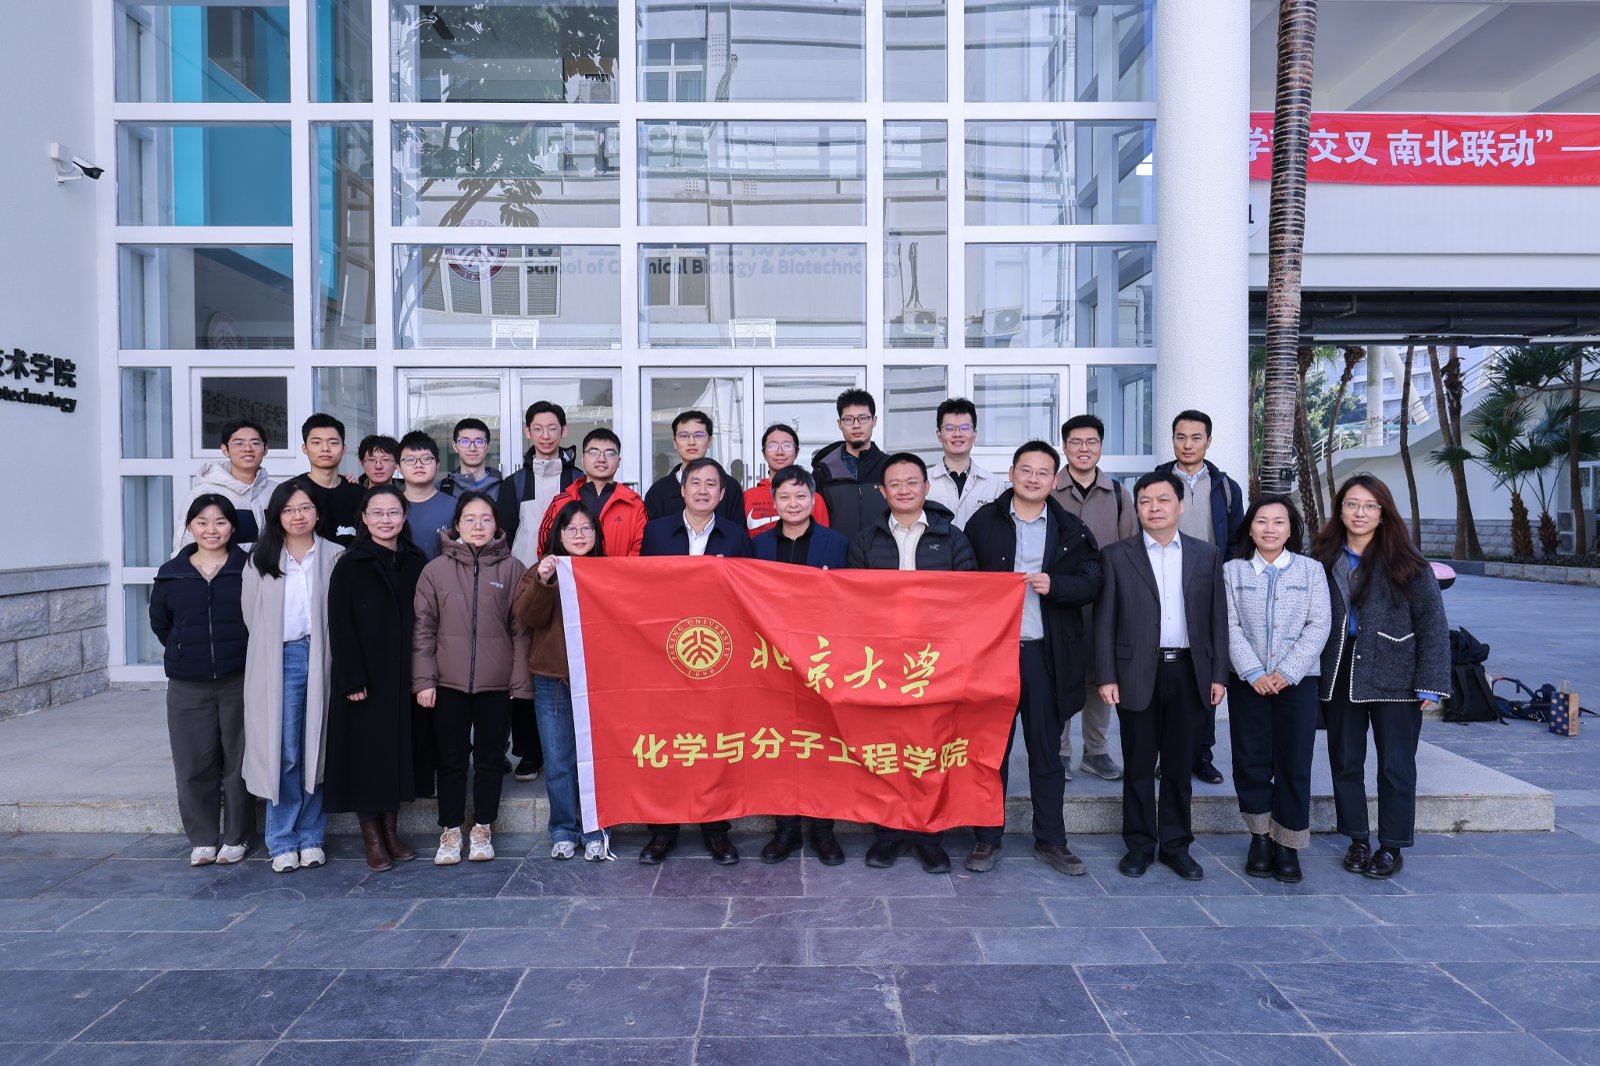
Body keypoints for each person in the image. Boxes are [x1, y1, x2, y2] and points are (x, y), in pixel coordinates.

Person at [963, 442, 1102, 877]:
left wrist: (1055, 586)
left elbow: (1092, 582)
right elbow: (960, 581)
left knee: (1046, 753)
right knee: (991, 752)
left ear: (1055, 480)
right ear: (1011, 473)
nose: (1033, 478)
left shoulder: (1072, 529)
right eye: (1026, 470)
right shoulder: (983, 522)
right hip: (992, 656)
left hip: (1045, 655)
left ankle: (1052, 841)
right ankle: (987, 837)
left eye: (1043, 472)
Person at [1311, 474, 1449, 881]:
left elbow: (1433, 623)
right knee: (1345, 760)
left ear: (1383, 513)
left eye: (1370, 506)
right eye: (1352, 504)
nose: (1360, 513)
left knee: (1396, 765)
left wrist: (1431, 681)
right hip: (1339, 668)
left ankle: (1391, 846)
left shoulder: (1408, 561)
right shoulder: (1321, 557)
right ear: (1340, 509)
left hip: (1397, 672)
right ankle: (1357, 839)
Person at [1094, 471, 1227, 882]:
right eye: (1146, 501)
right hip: (1135, 673)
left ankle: (1175, 846)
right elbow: (1104, 622)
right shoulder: (1117, 556)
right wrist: (1106, 675)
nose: (1155, 507)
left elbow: (1217, 620)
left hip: (1189, 671)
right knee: (1137, 765)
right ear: (1137, 509)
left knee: (1178, 767)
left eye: (1163, 500)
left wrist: (1218, 674)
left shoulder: (1206, 555)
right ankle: (1139, 845)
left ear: (1180, 506)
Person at [846, 452, 975, 873]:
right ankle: (887, 835)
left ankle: (928, 836)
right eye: (895, 484)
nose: (904, 490)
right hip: (880, 662)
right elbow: (851, 603)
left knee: (929, 750)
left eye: (911, 482)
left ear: (926, 487)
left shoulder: (952, 538)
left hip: (933, 662)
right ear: (883, 492)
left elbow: (969, 599)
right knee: (883, 750)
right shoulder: (865, 541)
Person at [639, 457, 752, 865]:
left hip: (718, 654)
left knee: (714, 741)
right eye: (695, 483)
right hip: (664, 653)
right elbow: (638, 589)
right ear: (682, 490)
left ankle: (716, 830)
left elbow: (748, 597)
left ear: (722, 494)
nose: (703, 490)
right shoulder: (656, 532)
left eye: (711, 485)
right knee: (668, 740)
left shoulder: (736, 537)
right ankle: (662, 830)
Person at [413, 491, 532, 865]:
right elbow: (423, 630)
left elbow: (521, 630)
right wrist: (424, 680)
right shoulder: (435, 570)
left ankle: (482, 827)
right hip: (447, 682)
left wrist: (519, 681)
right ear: (457, 525)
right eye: (470, 519)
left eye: (486, 519)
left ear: (497, 525)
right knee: (450, 759)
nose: (478, 526)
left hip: (496, 683)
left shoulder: (513, 569)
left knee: (490, 757)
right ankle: (450, 830)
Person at [1224, 494, 1331, 884]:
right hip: (1247, 681)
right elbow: (1228, 625)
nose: (1269, 529)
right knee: (1250, 759)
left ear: (1291, 530)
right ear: (1250, 528)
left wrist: (1287, 671)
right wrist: (1253, 671)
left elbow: (1319, 625)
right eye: (1261, 521)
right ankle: (1259, 837)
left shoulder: (1311, 571)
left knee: (1294, 762)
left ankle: (1288, 842)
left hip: (1297, 682)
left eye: (1279, 522)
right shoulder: (1232, 572)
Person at [324, 484, 429, 872]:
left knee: (397, 754)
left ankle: (391, 832)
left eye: (393, 513)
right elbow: (340, 624)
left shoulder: (415, 560)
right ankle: (371, 837)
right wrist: (351, 678)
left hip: (405, 674)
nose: (386, 520)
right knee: (367, 757)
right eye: (378, 513)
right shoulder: (350, 564)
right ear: (364, 519)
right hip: (365, 677)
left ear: (404, 517)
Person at [242, 481, 344, 873]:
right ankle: (282, 838)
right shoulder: (261, 558)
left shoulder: (334, 555)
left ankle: (312, 836)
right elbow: (251, 615)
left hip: (322, 656)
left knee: (317, 747)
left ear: (317, 512)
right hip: (279, 659)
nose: (298, 516)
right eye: (288, 509)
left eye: (305, 508)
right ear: (277, 516)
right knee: (283, 751)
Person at [750, 465, 850, 865]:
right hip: (772, 660)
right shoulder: (757, 545)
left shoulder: (837, 543)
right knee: (781, 746)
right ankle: (786, 830)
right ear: (774, 502)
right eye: (785, 497)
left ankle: (824, 830)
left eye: (800, 496)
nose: (793, 504)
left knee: (821, 745)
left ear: (813, 499)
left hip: (821, 660)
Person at [150, 494, 251, 867]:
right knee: (193, 762)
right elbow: (161, 624)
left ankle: (237, 837)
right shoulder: (172, 573)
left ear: (233, 527)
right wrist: (184, 651)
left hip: (239, 678)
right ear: (190, 526)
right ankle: (203, 838)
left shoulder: (249, 568)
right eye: (203, 522)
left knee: (239, 762)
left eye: (220, 521)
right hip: (188, 684)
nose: (212, 529)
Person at [513, 499, 613, 862]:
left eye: (587, 528)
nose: (579, 535)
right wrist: (543, 581)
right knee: (558, 760)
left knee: (597, 759)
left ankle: (596, 829)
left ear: (597, 533)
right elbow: (526, 617)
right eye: (571, 529)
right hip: (552, 680)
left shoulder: (610, 571)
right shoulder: (543, 569)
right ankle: (563, 830)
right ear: (559, 534)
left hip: (600, 681)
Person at [1153, 409, 1245, 786]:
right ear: (1172, 439)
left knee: (1203, 672)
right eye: (1181, 436)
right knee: (1163, 676)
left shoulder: (1226, 487)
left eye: (1196, 437)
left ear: (1208, 441)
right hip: (1162, 585)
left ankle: (1202, 753)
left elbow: (1236, 541)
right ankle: (1168, 754)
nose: (1187, 444)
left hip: (1208, 589)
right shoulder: (1156, 481)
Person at [1052, 414, 1135, 782]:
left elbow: (1130, 548)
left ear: (1101, 446)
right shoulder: (1050, 489)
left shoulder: (1117, 493)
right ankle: (1059, 752)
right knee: (1060, 674)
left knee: (1100, 674)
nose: (1083, 449)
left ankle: (1096, 751)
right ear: (1064, 446)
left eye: (1091, 442)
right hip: (1059, 598)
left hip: (1104, 601)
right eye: (1075, 442)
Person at [536, 428, 649, 558]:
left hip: (619, 572)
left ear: (619, 461)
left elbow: (640, 554)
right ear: (582, 459)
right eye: (594, 452)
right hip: (572, 572)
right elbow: (546, 551)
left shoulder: (635, 505)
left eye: (610, 454)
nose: (601, 459)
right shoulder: (560, 502)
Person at [174, 418, 274, 551]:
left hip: (269, 565)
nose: (248, 449)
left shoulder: (276, 491)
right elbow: (184, 546)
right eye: (239, 443)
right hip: (220, 565)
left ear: (265, 449)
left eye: (255, 443)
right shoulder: (203, 493)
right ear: (225, 449)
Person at [501, 400, 580, 560]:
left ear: (563, 431)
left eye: (552, 428)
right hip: (523, 570)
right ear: (528, 432)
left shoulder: (578, 480)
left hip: (566, 570)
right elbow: (504, 535)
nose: (545, 436)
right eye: (538, 429)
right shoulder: (515, 483)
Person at [643, 409, 746, 524]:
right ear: (675, 443)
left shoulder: (730, 487)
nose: (691, 442)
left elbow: (737, 533)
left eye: (699, 435)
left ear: (710, 441)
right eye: (684, 435)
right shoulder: (658, 492)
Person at [812, 388, 889, 541]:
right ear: (839, 423)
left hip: (883, 552)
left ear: (874, 421)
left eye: (863, 418)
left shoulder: (890, 467)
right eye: (848, 419)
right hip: (837, 552)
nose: (856, 425)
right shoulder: (823, 472)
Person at [925, 398, 1003, 530]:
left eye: (965, 428)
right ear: (939, 435)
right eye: (950, 428)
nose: (957, 434)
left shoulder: (994, 485)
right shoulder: (923, 482)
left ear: (975, 434)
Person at [744, 423, 831, 537]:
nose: (780, 452)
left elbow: (824, 539)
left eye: (787, 446)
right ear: (763, 453)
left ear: (797, 452)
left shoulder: (812, 498)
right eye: (772, 446)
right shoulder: (748, 497)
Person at [290, 413, 364, 546]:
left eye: (333, 443)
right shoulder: (290, 492)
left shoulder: (360, 494)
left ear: (344, 449)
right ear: (305, 448)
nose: (325, 449)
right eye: (316, 443)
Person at [398, 431, 456, 563]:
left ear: (437, 465)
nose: (418, 465)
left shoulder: (455, 507)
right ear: (398, 467)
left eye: (426, 459)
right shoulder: (389, 507)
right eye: (410, 460)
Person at [438, 418, 503, 498]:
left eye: (479, 442)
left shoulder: (504, 488)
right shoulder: (441, 490)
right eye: (465, 442)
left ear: (488, 447)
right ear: (455, 447)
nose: (472, 448)